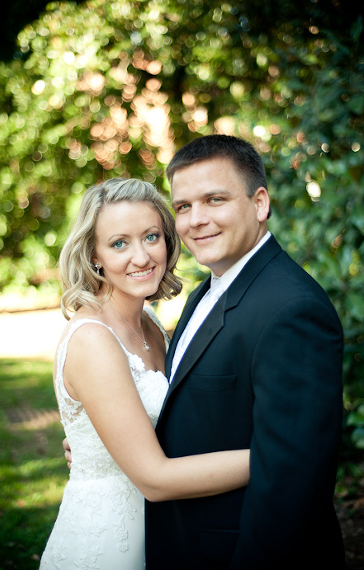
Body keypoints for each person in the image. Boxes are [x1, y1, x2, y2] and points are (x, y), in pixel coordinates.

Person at [145, 134, 344, 568]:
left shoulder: (292, 310)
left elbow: (292, 483)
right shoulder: (205, 291)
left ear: (259, 203)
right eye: (183, 207)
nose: (196, 220)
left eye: (214, 200)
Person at [41, 178, 250, 569]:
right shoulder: (93, 340)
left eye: (151, 236)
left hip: (165, 530)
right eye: (119, 243)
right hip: (109, 538)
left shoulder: (150, 321)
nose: (141, 257)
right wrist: (272, 457)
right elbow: (154, 478)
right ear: (94, 255)